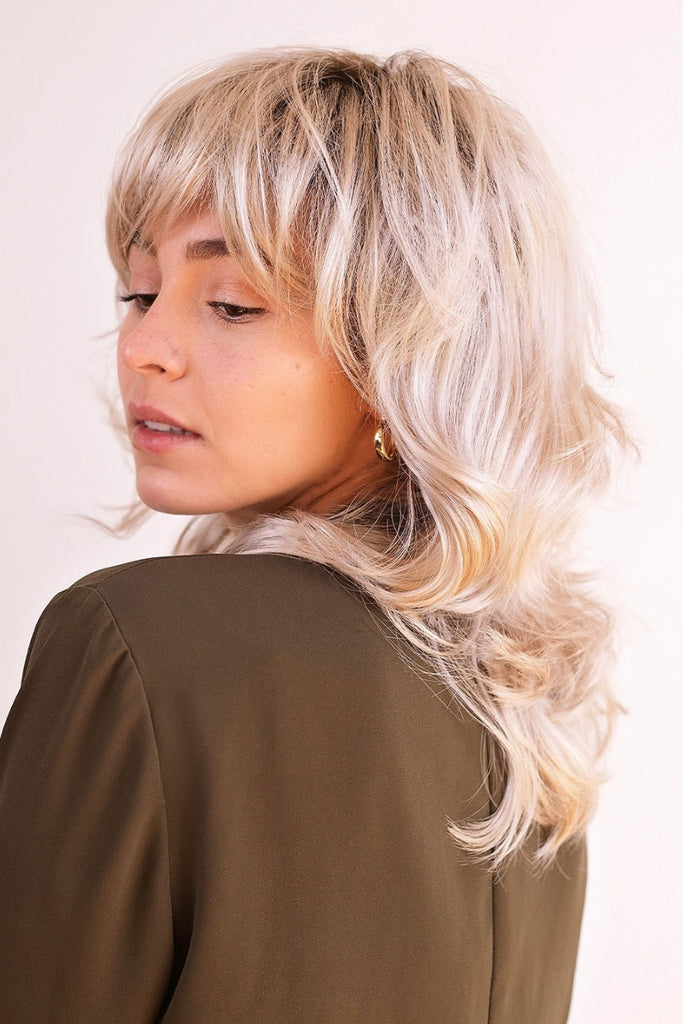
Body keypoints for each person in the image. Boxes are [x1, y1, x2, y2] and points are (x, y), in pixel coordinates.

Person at [0, 48, 628, 1022]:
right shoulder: (521, 729)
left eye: (229, 304)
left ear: (399, 356)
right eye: (138, 291)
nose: (141, 346)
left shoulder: (135, 647)